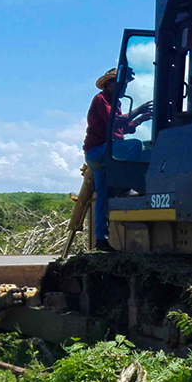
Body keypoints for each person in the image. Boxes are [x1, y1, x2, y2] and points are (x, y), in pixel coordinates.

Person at [82, 67, 152, 251]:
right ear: (110, 84)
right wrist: (138, 110)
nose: (125, 89)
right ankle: (127, 185)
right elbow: (115, 121)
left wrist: (142, 118)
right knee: (136, 146)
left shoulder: (116, 103)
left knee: (102, 196)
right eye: (122, 84)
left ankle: (101, 239)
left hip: (102, 154)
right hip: (99, 151)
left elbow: (125, 127)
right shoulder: (101, 99)